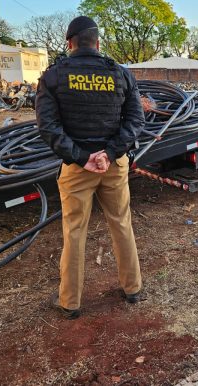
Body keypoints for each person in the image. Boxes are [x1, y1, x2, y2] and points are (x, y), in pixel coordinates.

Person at [35, 16, 145, 319]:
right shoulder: (120, 74)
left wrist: (82, 157)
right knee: (121, 222)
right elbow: (136, 122)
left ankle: (70, 303)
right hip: (113, 165)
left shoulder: (55, 76)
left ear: (70, 43)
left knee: (74, 232)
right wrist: (109, 154)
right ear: (97, 43)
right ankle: (132, 288)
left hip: (77, 167)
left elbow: (48, 126)